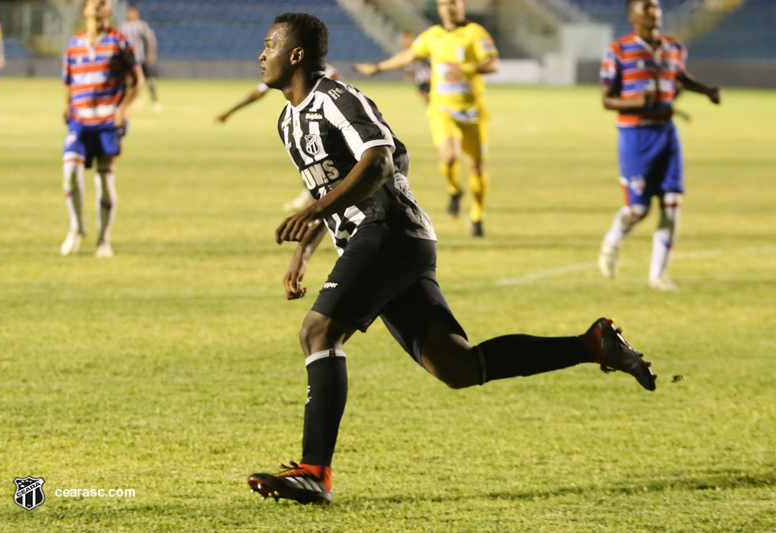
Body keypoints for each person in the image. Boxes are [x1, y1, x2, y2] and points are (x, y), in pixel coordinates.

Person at [246, 12, 656, 506]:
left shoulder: (337, 99)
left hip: (390, 232)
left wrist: (315, 211)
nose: (261, 54)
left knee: (318, 332)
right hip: (377, 240)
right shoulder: (287, 119)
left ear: (296, 54)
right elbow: (330, 187)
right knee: (457, 366)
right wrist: (307, 246)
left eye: (269, 45)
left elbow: (379, 160)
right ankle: (591, 345)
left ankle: (315, 472)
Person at [598, 0, 720, 290]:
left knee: (672, 203)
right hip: (635, 135)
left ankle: (658, 275)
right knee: (638, 210)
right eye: (646, 7)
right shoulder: (618, 50)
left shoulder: (674, 47)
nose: (654, 11)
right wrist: (635, 102)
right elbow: (606, 99)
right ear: (632, 15)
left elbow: (679, 78)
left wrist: (706, 91)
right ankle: (613, 240)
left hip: (667, 133)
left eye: (656, 6)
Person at [355, 0, 499, 237]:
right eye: (443, 4)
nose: (448, 8)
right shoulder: (433, 36)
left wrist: (468, 68)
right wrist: (378, 68)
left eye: (453, 3)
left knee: (476, 167)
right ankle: (454, 189)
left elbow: (492, 63)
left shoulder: (475, 33)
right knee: (450, 158)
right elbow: (409, 55)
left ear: (462, 5)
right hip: (442, 110)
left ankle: (477, 215)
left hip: (473, 112)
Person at [60, 0, 144, 258]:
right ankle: (77, 228)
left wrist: (121, 109)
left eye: (103, 3)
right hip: (80, 119)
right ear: (85, 9)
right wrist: (66, 106)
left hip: (108, 120)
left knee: (105, 180)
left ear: (109, 11)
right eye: (93, 2)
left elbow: (137, 81)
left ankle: (103, 239)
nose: (97, 5)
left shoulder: (119, 43)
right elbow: (69, 81)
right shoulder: (74, 45)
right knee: (70, 172)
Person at [215, 64, 340, 212]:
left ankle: (322, 200)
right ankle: (311, 197)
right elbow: (258, 93)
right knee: (309, 160)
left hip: (328, 124)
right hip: (305, 123)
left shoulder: (325, 72)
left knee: (325, 162)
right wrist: (230, 111)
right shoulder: (283, 69)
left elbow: (337, 92)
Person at [119, 4, 160, 112]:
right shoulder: (123, 26)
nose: (131, 15)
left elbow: (150, 38)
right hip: (128, 59)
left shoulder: (141, 25)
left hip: (140, 57)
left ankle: (154, 100)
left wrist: (151, 52)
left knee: (149, 79)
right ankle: (135, 98)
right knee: (129, 80)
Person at [400, 32, 431, 106]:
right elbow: (411, 67)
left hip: (428, 77)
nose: (402, 41)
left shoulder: (419, 49)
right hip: (420, 78)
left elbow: (430, 62)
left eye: (404, 39)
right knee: (424, 96)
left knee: (428, 96)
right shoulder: (407, 51)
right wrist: (409, 75)